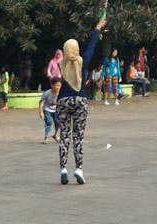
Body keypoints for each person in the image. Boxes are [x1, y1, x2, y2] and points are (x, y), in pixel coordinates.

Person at [56, 18, 106, 185]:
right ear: (76, 49)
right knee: (78, 136)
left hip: (63, 100)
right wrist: (98, 27)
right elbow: (92, 45)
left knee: (64, 135)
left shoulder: (61, 64)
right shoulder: (83, 60)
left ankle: (63, 168)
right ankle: (79, 169)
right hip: (80, 100)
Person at [39, 77, 61, 143]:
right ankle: (46, 137)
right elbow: (41, 102)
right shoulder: (47, 93)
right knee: (48, 122)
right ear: (52, 85)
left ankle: (55, 135)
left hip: (56, 109)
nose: (58, 87)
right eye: (57, 85)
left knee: (58, 123)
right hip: (47, 109)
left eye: (59, 86)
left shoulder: (61, 93)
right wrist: (41, 112)